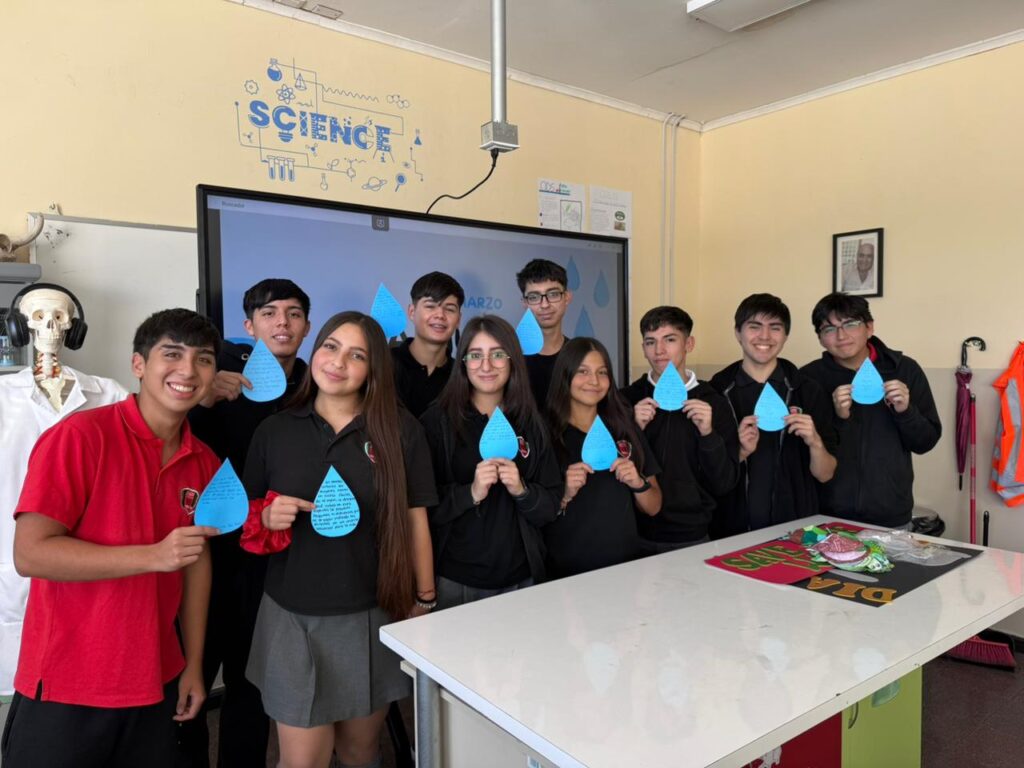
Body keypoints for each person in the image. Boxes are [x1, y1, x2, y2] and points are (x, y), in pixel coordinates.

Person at [2, 308, 221, 768]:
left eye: (203, 359)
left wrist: (194, 664)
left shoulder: (203, 461)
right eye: (172, 354)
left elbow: (196, 562)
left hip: (157, 675)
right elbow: (31, 553)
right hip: (67, 679)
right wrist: (153, 556)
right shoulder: (80, 437)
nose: (187, 370)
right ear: (138, 364)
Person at [239, 311, 436, 768]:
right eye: (330, 346)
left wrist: (424, 601)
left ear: (373, 369)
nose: (338, 362)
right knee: (302, 760)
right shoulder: (275, 430)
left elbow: (415, 519)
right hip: (292, 617)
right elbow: (243, 516)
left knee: (360, 751)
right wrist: (265, 516)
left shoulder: (400, 431)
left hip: (371, 612)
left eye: (357, 355)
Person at [182, 278, 311, 767]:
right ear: (249, 326)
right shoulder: (216, 375)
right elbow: (168, 437)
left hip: (272, 558)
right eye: (269, 313)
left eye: (294, 313)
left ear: (307, 326)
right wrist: (202, 397)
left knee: (250, 683)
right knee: (188, 679)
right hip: (207, 553)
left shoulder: (314, 384)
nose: (282, 322)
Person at [0, 284, 127, 708]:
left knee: (86, 685)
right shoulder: (2, 398)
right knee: (21, 696)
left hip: (94, 559)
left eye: (60, 316)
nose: (50, 326)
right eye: (39, 317)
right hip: (14, 568)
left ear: (75, 327)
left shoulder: (110, 394)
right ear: (19, 327)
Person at [419, 315, 561, 608]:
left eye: (497, 354)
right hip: (456, 580)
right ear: (463, 362)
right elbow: (421, 510)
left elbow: (550, 507)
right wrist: (470, 492)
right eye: (475, 355)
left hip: (522, 579)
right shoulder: (436, 422)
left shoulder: (532, 423)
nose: (486, 366)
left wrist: (522, 490)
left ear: (512, 360)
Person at [801, 292, 941, 529]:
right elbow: (803, 450)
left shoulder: (904, 369)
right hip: (824, 516)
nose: (841, 336)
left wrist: (905, 412)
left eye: (850, 324)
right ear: (820, 338)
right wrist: (839, 418)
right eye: (829, 329)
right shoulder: (808, 378)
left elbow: (925, 442)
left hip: (891, 514)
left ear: (869, 327)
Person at [710, 294, 837, 536]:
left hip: (797, 531)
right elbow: (710, 474)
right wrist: (739, 451)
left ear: (785, 335)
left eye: (775, 327)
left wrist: (815, 442)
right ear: (738, 333)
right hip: (730, 531)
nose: (765, 336)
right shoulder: (716, 392)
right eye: (754, 326)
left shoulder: (807, 390)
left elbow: (825, 474)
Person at [621, 306, 739, 551]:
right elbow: (610, 470)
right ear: (643, 348)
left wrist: (708, 435)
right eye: (650, 342)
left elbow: (725, 483)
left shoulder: (714, 402)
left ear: (689, 344)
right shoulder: (626, 400)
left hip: (691, 534)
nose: (659, 350)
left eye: (670, 340)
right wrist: (634, 430)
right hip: (632, 532)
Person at [544, 338, 661, 578]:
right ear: (565, 376)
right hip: (565, 576)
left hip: (626, 569)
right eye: (583, 371)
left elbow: (654, 507)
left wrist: (638, 483)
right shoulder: (545, 435)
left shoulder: (624, 428)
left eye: (602, 372)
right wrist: (564, 494)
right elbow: (534, 514)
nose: (594, 381)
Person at [391, 271, 464, 417]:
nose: (440, 315)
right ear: (412, 312)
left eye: (449, 309)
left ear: (458, 320)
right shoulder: (383, 365)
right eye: (430, 306)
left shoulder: (462, 376)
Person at [516, 259, 573, 407]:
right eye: (534, 297)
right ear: (524, 303)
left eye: (553, 294)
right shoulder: (510, 357)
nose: (545, 304)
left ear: (567, 297)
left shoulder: (579, 356)